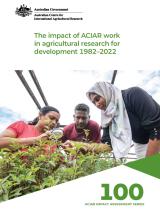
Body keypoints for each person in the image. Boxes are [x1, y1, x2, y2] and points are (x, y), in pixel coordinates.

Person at [86, 81, 160, 159]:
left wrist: (148, 162)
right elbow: (108, 143)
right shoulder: (107, 116)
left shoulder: (133, 95)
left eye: (97, 99)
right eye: (94, 103)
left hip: (156, 137)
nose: (97, 104)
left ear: (106, 92)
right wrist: (86, 148)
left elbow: (156, 128)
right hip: (141, 143)